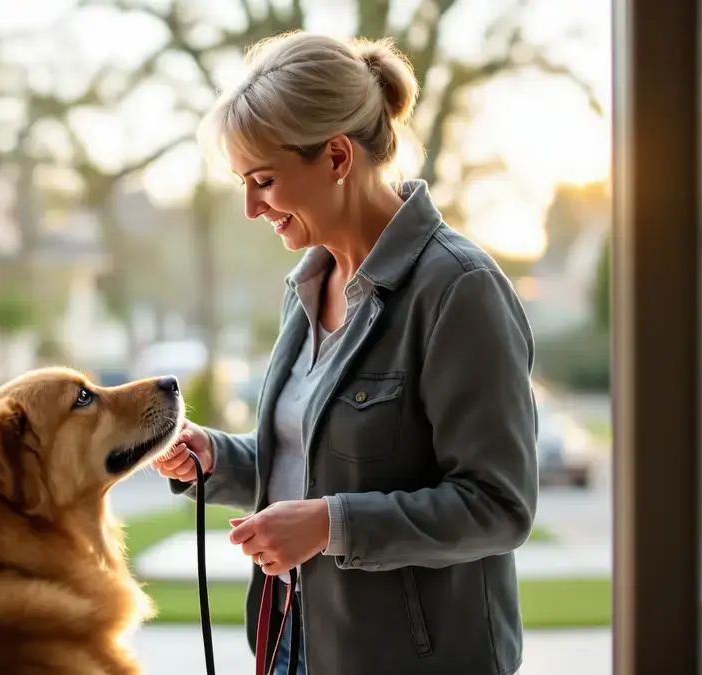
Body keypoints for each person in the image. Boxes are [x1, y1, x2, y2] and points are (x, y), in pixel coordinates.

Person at [153, 30, 538, 675]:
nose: (251, 207)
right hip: (291, 645)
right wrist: (217, 458)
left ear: (336, 157)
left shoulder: (459, 290)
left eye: (264, 180)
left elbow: (498, 507)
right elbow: (319, 465)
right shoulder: (307, 285)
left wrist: (332, 526)